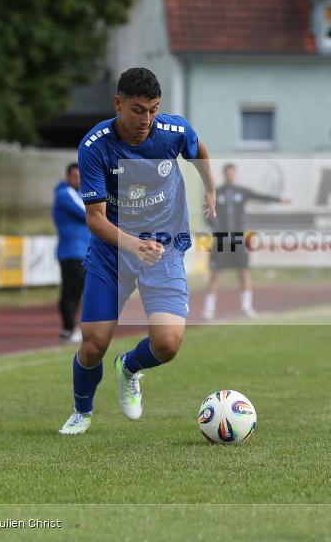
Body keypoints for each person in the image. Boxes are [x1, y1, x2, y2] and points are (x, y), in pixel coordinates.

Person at [58, 67, 216, 435]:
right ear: (118, 104)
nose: (147, 120)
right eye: (138, 110)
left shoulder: (173, 131)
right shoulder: (95, 147)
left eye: (153, 110)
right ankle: (82, 412)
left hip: (164, 248)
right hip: (112, 253)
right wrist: (133, 244)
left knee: (168, 344)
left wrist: (210, 189)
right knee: (93, 344)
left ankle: (129, 367)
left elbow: (199, 151)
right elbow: (95, 219)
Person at [201, 163, 290, 320]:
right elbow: (206, 212)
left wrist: (279, 199)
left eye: (232, 172)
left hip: (237, 238)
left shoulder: (241, 192)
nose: (230, 175)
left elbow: (260, 197)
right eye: (228, 173)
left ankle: (246, 308)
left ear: (235, 174)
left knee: (244, 273)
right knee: (214, 275)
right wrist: (214, 226)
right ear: (224, 174)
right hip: (221, 239)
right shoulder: (217, 192)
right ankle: (208, 310)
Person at [52, 163, 89, 344]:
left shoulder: (79, 194)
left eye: (81, 176)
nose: (79, 179)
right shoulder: (65, 193)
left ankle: (69, 328)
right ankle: (70, 328)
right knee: (74, 290)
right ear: (68, 177)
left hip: (83, 251)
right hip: (72, 251)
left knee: (75, 290)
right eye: (75, 176)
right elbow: (89, 212)